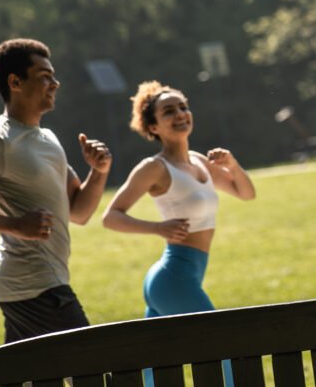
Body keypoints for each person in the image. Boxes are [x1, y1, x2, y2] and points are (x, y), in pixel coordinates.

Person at [0, 38, 112, 343]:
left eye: (53, 75)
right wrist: (14, 225)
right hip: (36, 285)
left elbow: (79, 211)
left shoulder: (48, 138)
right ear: (15, 82)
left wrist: (99, 172)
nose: (55, 83)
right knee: (90, 367)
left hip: (33, 284)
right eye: (44, 76)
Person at [102, 81, 256, 386]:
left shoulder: (199, 160)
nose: (180, 114)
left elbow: (245, 192)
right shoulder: (154, 168)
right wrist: (157, 228)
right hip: (173, 276)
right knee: (222, 345)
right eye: (168, 111)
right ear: (153, 126)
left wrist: (233, 165)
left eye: (183, 107)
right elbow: (111, 217)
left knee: (153, 370)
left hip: (182, 275)